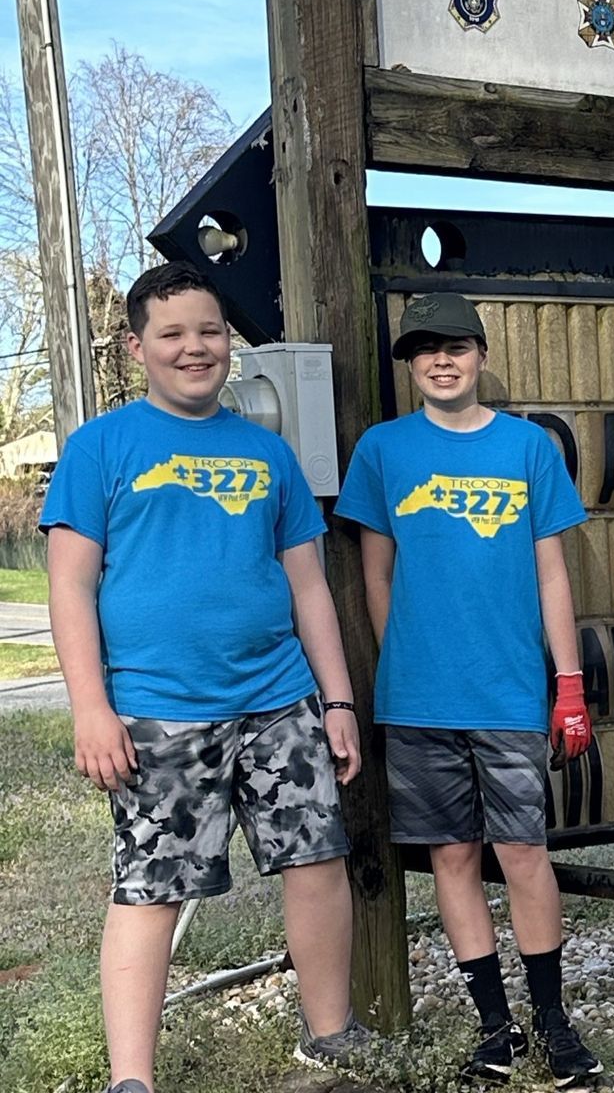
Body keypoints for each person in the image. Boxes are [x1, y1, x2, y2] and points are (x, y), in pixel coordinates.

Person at [41, 262, 370, 1093]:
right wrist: (91, 707)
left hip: (279, 703)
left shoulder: (269, 454)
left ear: (231, 340)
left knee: (317, 860)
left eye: (211, 331)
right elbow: (70, 585)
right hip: (158, 712)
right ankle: (132, 1078)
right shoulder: (100, 448)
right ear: (138, 347)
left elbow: (308, 588)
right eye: (174, 334)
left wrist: (335, 700)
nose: (197, 348)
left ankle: (330, 1035)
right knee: (150, 889)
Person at [335, 292, 602, 1086]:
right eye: (424, 350)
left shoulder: (528, 449)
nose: (441, 361)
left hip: (511, 691)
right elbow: (375, 573)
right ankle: (495, 1026)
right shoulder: (383, 451)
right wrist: (409, 657)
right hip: (417, 700)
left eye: (455, 346)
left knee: (522, 851)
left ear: (482, 356)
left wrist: (570, 683)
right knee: (452, 855)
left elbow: (552, 571)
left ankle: (553, 1019)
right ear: (411, 365)